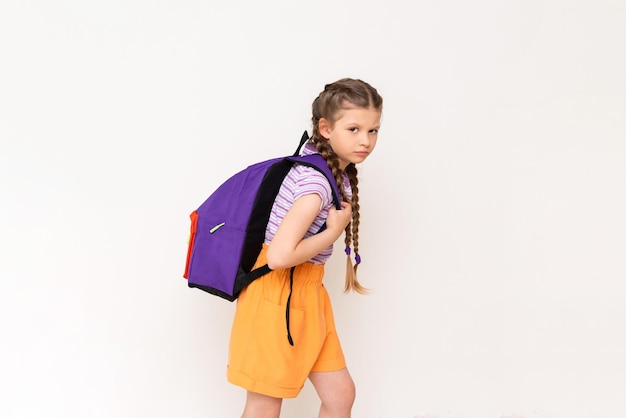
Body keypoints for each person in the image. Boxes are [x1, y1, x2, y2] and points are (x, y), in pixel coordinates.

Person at [227, 78, 383, 418]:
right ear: (325, 128)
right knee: (265, 405)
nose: (365, 141)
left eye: (373, 131)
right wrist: (332, 234)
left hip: (308, 291)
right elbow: (281, 256)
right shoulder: (315, 182)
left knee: (340, 395)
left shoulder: (333, 172)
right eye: (354, 128)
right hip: (275, 295)